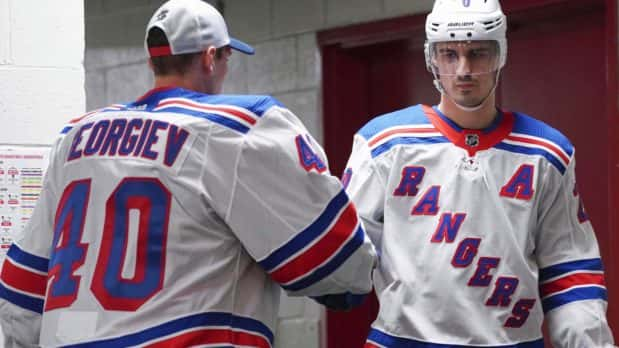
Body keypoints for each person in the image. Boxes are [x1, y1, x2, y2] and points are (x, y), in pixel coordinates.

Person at [0, 0, 376, 346]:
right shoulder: (237, 129)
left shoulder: (74, 138)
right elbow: (340, 266)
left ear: (152, 62)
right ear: (211, 58)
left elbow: (21, 292)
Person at [343, 0, 615, 347]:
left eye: (478, 53)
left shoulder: (546, 152)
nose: (463, 69)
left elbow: (569, 265)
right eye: (449, 54)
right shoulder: (383, 144)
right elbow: (345, 251)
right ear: (432, 58)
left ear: (501, 54)